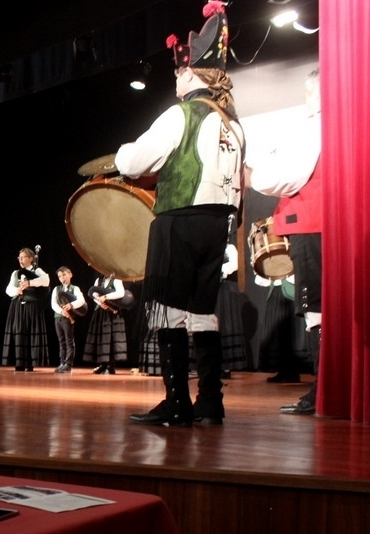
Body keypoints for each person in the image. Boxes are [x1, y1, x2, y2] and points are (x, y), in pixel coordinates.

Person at [116, 2, 244, 426]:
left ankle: (176, 402)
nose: (175, 78)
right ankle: (211, 400)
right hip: (217, 225)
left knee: (170, 310)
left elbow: (134, 163)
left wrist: (120, 155)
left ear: (193, 74)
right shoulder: (235, 123)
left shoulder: (182, 113)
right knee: (203, 311)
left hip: (181, 220)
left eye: (178, 72)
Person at [246, 70, 322, 416]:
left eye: (308, 92)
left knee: (318, 311)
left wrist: (256, 173)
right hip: (330, 224)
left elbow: (285, 175)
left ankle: (323, 392)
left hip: (315, 224)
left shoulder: (315, 125)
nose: (307, 100)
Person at [2, 247, 50, 372]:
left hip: (32, 305)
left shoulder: (37, 270)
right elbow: (8, 289)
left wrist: (30, 283)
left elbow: (46, 280)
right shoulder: (15, 273)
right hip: (18, 305)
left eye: (23, 257)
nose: (21, 260)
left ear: (31, 259)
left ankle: (30, 363)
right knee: (19, 332)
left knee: (30, 332)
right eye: (19, 257)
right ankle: (19, 362)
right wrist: (16, 291)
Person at [84, 272, 129, 375]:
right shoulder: (99, 280)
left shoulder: (116, 278)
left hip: (112, 313)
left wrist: (106, 297)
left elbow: (120, 293)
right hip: (100, 311)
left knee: (111, 339)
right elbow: (93, 294)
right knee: (101, 340)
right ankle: (102, 364)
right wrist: (100, 302)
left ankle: (110, 366)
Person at [216, 242, 248, 376]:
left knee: (226, 325)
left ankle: (226, 366)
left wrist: (219, 270)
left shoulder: (229, 248)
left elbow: (235, 264)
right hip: (211, 291)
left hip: (225, 291)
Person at [50, 266, 86, 374]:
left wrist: (71, 305)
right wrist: (61, 311)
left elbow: (81, 300)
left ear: (70, 274)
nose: (62, 278)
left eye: (64, 275)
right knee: (61, 341)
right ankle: (62, 363)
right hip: (58, 317)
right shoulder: (56, 289)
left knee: (69, 341)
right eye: (60, 276)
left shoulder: (75, 288)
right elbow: (53, 304)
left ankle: (68, 364)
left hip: (68, 318)